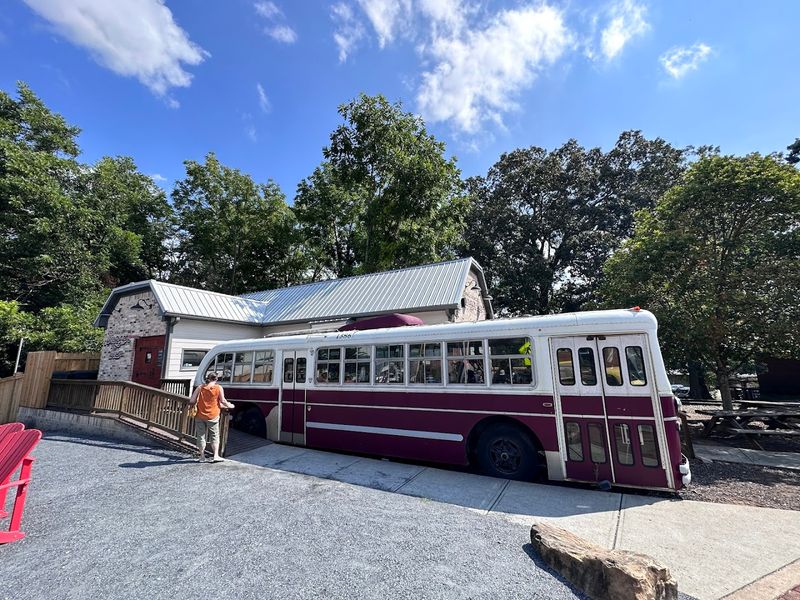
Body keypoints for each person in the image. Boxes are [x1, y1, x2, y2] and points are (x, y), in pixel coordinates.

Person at [188, 372, 234, 463]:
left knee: (201, 436)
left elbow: (192, 400)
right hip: (213, 415)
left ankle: (202, 457)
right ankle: (216, 455)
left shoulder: (200, 388)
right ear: (216, 379)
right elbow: (223, 400)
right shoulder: (218, 388)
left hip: (200, 415)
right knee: (214, 435)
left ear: (207, 378)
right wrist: (230, 405)